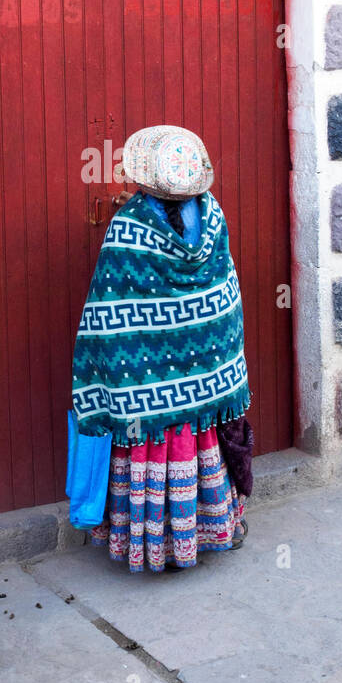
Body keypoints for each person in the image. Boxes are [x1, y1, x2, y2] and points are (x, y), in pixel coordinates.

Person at [69, 125, 253, 573]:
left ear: (143, 176)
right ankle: (212, 530)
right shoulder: (214, 216)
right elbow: (225, 288)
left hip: (146, 389)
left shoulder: (129, 227)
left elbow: (108, 310)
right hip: (208, 372)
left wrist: (101, 368)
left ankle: (158, 546)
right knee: (198, 439)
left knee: (154, 444)